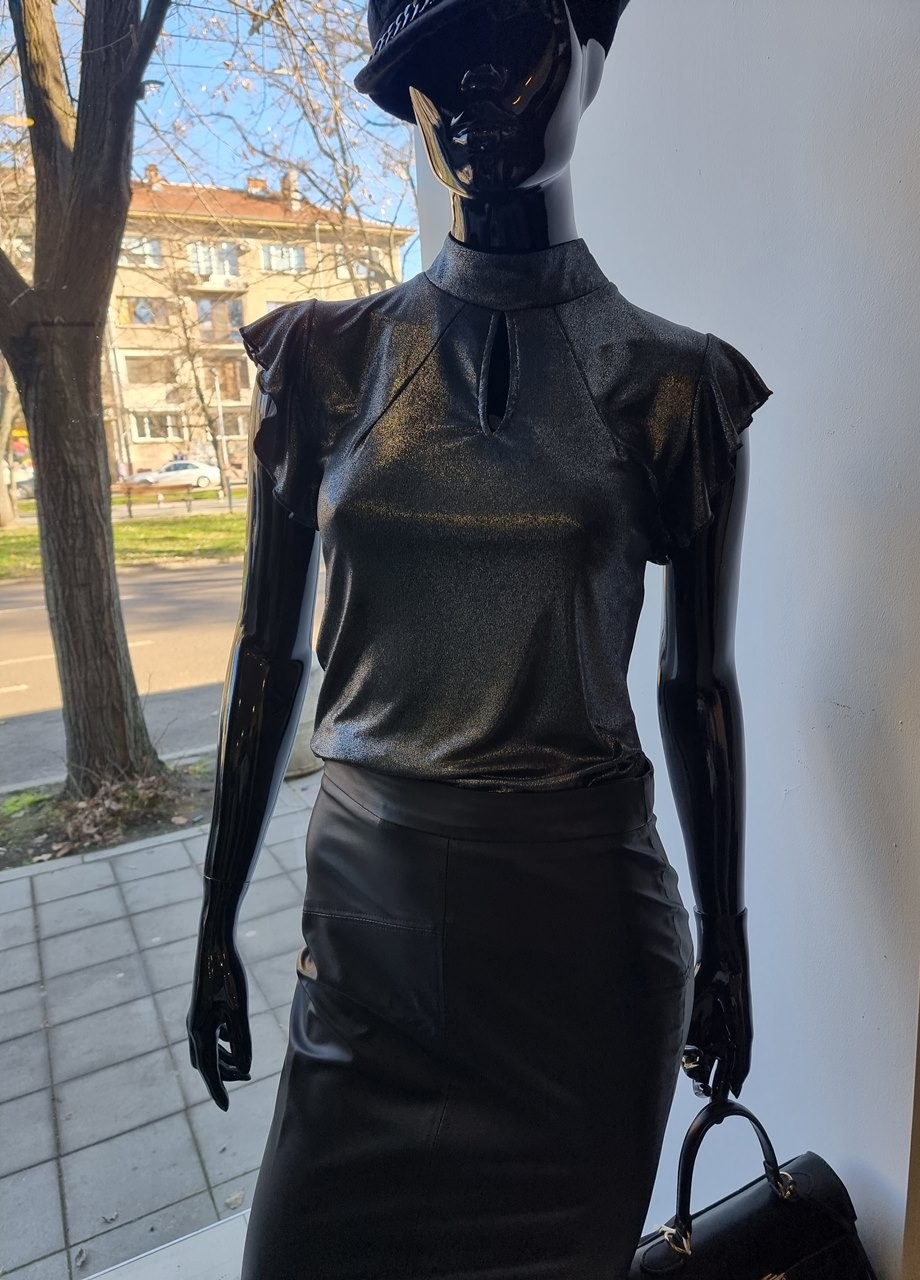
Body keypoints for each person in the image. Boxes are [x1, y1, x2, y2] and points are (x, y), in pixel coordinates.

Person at [186, 1, 772, 1275]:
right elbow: (263, 661)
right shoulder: (322, 362)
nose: (469, 94)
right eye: (433, 68)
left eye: (508, 40)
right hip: (366, 948)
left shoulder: (675, 388)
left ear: (592, 62)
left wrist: (726, 942)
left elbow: (697, 684)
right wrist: (213, 917)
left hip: (579, 961)